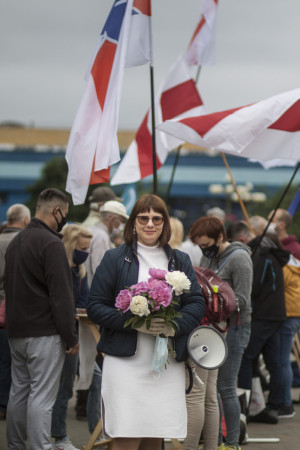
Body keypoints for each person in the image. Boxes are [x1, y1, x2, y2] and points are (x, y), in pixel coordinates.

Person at [87, 194, 205, 450]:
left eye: (156, 218)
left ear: (165, 223)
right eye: (143, 218)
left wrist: (175, 324)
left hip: (165, 366)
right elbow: (95, 306)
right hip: (124, 363)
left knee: (155, 434)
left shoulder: (180, 260)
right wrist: (132, 322)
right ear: (133, 223)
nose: (150, 224)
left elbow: (197, 303)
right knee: (126, 434)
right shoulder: (114, 258)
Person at [5, 188, 79, 450]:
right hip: (44, 332)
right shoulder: (51, 244)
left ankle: (15, 445)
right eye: (65, 215)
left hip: (16, 331)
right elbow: (62, 297)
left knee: (19, 391)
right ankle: (40, 447)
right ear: (56, 212)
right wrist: (71, 336)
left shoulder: (17, 241)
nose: (65, 220)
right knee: (42, 397)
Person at [189, 216, 253, 450]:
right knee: (210, 389)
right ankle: (213, 441)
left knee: (226, 386)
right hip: (214, 327)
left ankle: (233, 442)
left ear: (220, 237)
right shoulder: (209, 255)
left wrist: (217, 301)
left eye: (206, 244)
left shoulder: (240, 258)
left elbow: (245, 300)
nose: (204, 250)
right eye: (200, 246)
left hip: (235, 326)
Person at [227, 220, 289, 424]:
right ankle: (275, 405)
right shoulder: (268, 249)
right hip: (276, 312)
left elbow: (252, 287)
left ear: (242, 239)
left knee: (246, 357)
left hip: (263, 314)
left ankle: (245, 409)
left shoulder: (259, 253)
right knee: (275, 361)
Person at [51, 224, 95, 450]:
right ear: (70, 245)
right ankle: (57, 436)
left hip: (73, 332)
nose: (85, 253)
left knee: (65, 387)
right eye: (82, 248)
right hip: (62, 335)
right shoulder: (63, 271)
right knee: (58, 388)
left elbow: (84, 301)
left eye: (88, 249)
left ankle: (57, 436)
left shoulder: (80, 270)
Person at [0, 204, 31, 420]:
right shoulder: (23, 243)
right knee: (10, 363)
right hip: (11, 309)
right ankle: (4, 406)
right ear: (25, 221)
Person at [86, 200, 129, 287]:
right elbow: (100, 271)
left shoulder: (91, 230)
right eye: (121, 221)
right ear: (112, 219)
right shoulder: (102, 237)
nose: (121, 226)